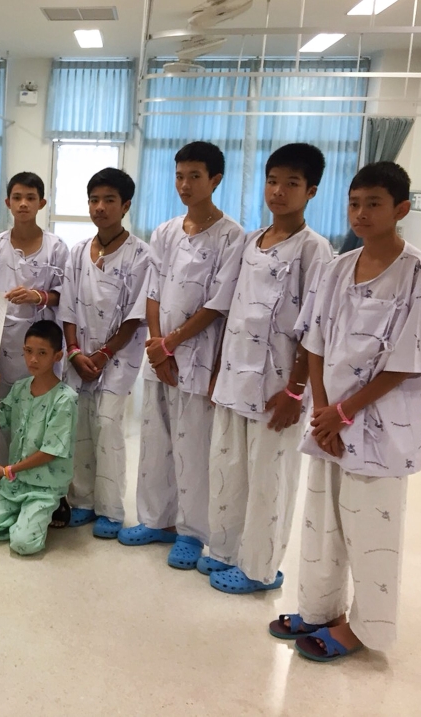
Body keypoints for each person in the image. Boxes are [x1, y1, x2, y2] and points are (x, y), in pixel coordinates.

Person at [270, 162, 421, 663]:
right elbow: (315, 342)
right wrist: (323, 411)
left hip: (382, 424)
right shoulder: (338, 267)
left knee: (372, 529)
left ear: (401, 209)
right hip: (329, 422)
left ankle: (365, 628)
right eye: (354, 203)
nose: (361, 214)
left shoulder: (419, 272)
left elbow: (413, 359)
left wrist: (344, 413)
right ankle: (320, 609)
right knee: (322, 522)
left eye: (374, 204)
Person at [202, 144, 334, 591]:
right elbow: (232, 310)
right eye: (272, 180)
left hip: (278, 387)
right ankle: (223, 549)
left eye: (291, 184)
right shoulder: (250, 241)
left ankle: (259, 568)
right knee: (227, 467)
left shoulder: (315, 251)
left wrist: (297, 392)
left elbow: (313, 329)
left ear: (311, 191)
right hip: (234, 377)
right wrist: (218, 368)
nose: (278, 191)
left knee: (268, 479)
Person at [116, 141, 245, 572]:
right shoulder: (167, 230)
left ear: (215, 180)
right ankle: (156, 520)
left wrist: (171, 344)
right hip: (161, 357)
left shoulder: (232, 236)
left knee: (194, 446)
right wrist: (157, 345)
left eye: (194, 176)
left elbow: (217, 303)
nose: (185, 184)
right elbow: (153, 290)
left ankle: (192, 532)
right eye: (179, 176)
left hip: (199, 356)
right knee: (156, 441)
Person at [60, 168, 150, 538]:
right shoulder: (79, 251)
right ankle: (82, 499)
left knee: (108, 425)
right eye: (94, 200)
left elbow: (135, 315)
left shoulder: (141, 255)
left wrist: (103, 355)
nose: (100, 207)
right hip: (79, 357)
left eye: (109, 200)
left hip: (118, 358)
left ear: (125, 205)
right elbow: (67, 307)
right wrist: (76, 352)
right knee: (79, 424)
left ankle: (111, 510)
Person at [0, 172, 69, 511]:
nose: (23, 203)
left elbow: (65, 297)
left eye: (31, 197)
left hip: (39, 349)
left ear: (43, 202)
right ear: (7, 202)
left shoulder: (57, 248)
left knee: (38, 419)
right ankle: (1, 479)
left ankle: (42, 484)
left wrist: (38, 296)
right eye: (17, 197)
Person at [0, 320, 77, 556]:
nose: (33, 360)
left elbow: (50, 451)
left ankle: (50, 505)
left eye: (42, 353)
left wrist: (6, 471)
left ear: (57, 356)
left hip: (44, 485)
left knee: (24, 544)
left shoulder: (65, 399)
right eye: (28, 351)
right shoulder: (20, 389)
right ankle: (25, 514)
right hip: (15, 483)